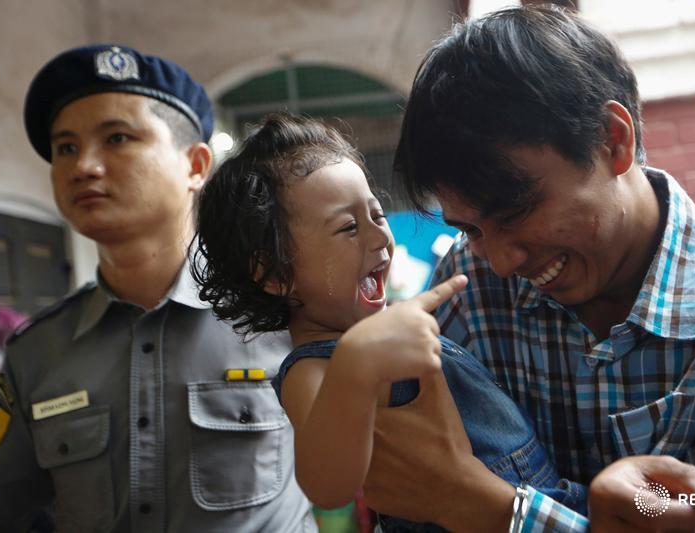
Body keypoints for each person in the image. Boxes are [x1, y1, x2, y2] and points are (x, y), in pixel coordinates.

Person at [347, 5, 695, 532]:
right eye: (471, 230)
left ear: (612, 140)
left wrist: (481, 505)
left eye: (516, 211)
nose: (501, 261)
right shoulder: (470, 286)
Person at [0, 44, 314, 532]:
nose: (83, 165)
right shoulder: (37, 355)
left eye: (117, 138)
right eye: (66, 147)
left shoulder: (282, 314)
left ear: (195, 166)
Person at [191, 113, 586, 532]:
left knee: (653, 503)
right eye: (348, 228)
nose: (379, 238)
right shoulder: (313, 369)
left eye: (377, 216)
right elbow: (328, 488)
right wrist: (355, 366)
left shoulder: (395, 324)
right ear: (274, 274)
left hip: (549, 502)